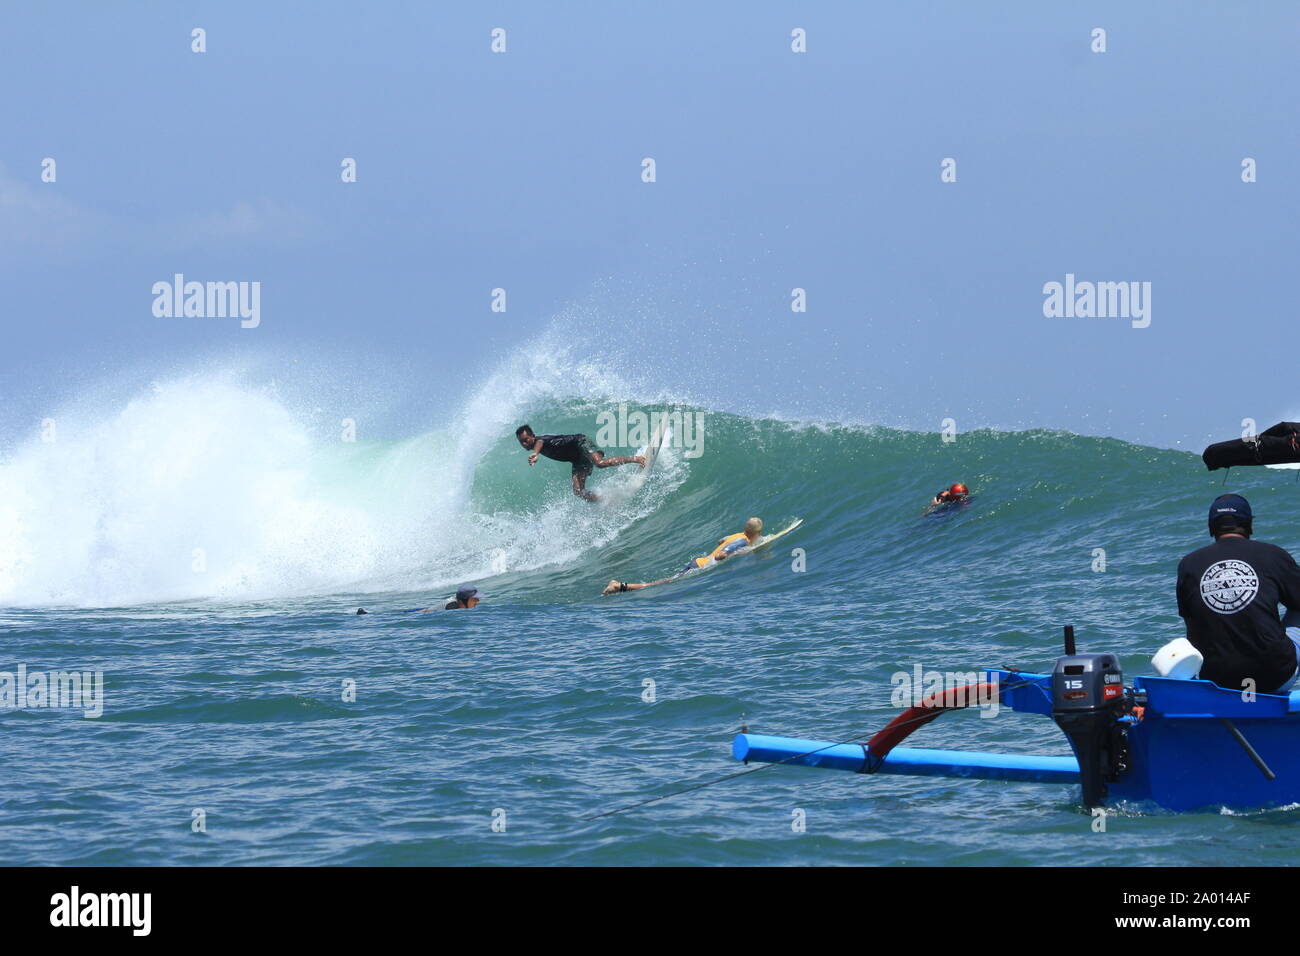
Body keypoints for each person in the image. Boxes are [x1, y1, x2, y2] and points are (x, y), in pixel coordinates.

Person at [1175, 494, 1300, 693]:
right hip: (1275, 677)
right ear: (1248, 524)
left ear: (1211, 527)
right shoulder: (1272, 554)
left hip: (1219, 684)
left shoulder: (1188, 565)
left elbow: (1193, 632)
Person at [603, 518, 764, 595]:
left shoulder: (737, 535)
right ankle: (618, 586)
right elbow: (721, 555)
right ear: (757, 533)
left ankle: (619, 585)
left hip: (697, 562)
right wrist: (742, 552)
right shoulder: (743, 541)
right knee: (659, 584)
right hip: (700, 567)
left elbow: (720, 541)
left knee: (665, 582)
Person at [516, 425, 644, 503]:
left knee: (600, 463)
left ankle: (637, 459)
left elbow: (539, 443)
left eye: (526, 440)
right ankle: (606, 500)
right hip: (577, 458)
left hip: (580, 443)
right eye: (521, 442)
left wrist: (535, 454)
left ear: (532, 436)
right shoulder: (537, 442)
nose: (524, 444)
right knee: (578, 491)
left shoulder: (540, 440)